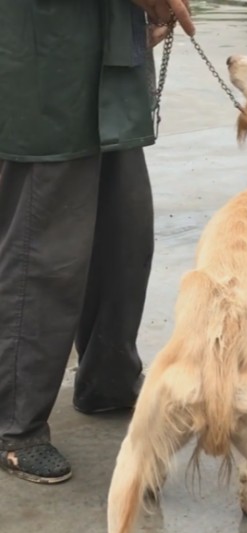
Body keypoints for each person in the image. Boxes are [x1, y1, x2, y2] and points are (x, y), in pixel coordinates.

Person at [0, 0, 195, 484]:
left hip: (112, 66)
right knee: (42, 254)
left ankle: (107, 383)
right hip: (46, 72)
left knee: (123, 242)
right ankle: (13, 424)